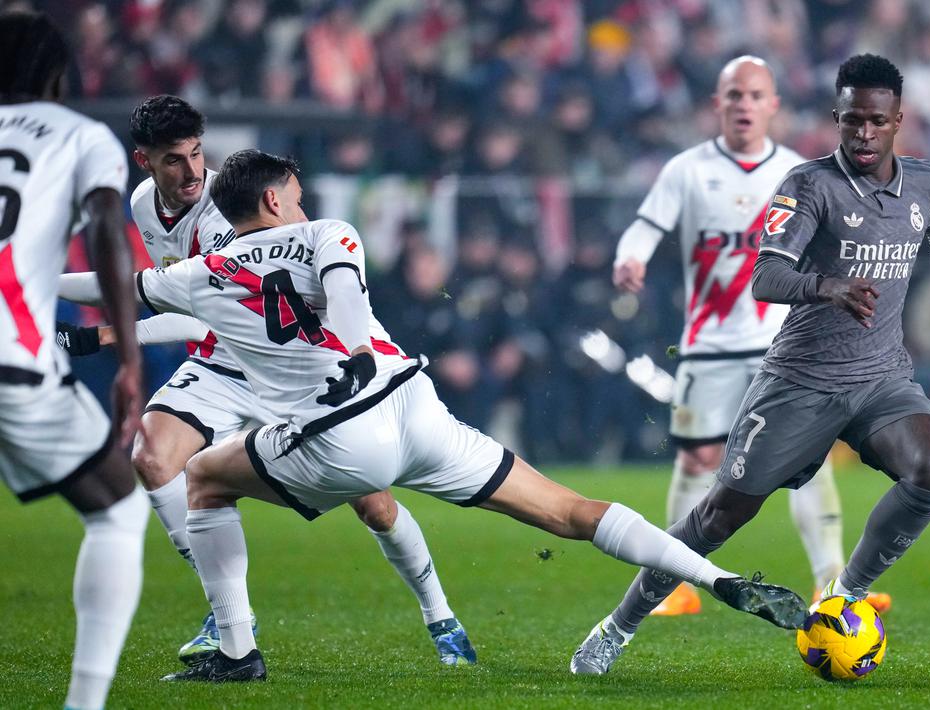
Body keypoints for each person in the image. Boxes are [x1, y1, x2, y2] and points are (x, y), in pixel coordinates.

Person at [71, 149, 806, 682]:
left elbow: (104, 285)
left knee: (201, 478)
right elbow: (343, 289)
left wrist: (33, 274)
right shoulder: (328, 232)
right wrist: (360, 348)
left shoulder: (196, 275)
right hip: (415, 409)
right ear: (271, 201)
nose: (300, 201)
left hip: (339, 441)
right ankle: (715, 579)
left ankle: (236, 652)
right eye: (293, 193)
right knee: (570, 511)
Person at [571, 53, 930, 675]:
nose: (863, 135)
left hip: (880, 378)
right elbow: (766, 276)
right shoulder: (808, 185)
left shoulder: (925, 183)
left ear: (899, 119)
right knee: (716, 517)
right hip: (800, 381)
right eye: (851, 123)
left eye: (875, 121)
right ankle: (617, 626)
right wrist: (828, 287)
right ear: (836, 119)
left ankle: (845, 595)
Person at [56, 95, 476, 666]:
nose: (191, 172)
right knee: (152, 456)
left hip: (285, 364)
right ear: (144, 161)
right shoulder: (142, 207)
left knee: (374, 504)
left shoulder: (226, 212)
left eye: (197, 154)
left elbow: (210, 304)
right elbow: (175, 293)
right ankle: (230, 618)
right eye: (174, 160)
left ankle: (440, 615)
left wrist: (108, 335)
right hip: (219, 363)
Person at [612, 55, 889, 615]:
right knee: (695, 462)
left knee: (805, 462)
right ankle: (676, 585)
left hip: (784, 347)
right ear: (717, 104)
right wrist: (630, 259)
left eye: (755, 95)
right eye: (734, 95)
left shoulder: (798, 173)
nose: (744, 105)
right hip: (709, 344)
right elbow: (644, 228)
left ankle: (831, 585)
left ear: (773, 107)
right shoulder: (687, 170)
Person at [0, 12, 148, 710]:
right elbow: (105, 230)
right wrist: (128, 356)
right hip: (15, 367)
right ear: (58, 76)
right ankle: (83, 705)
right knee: (118, 508)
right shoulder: (80, 134)